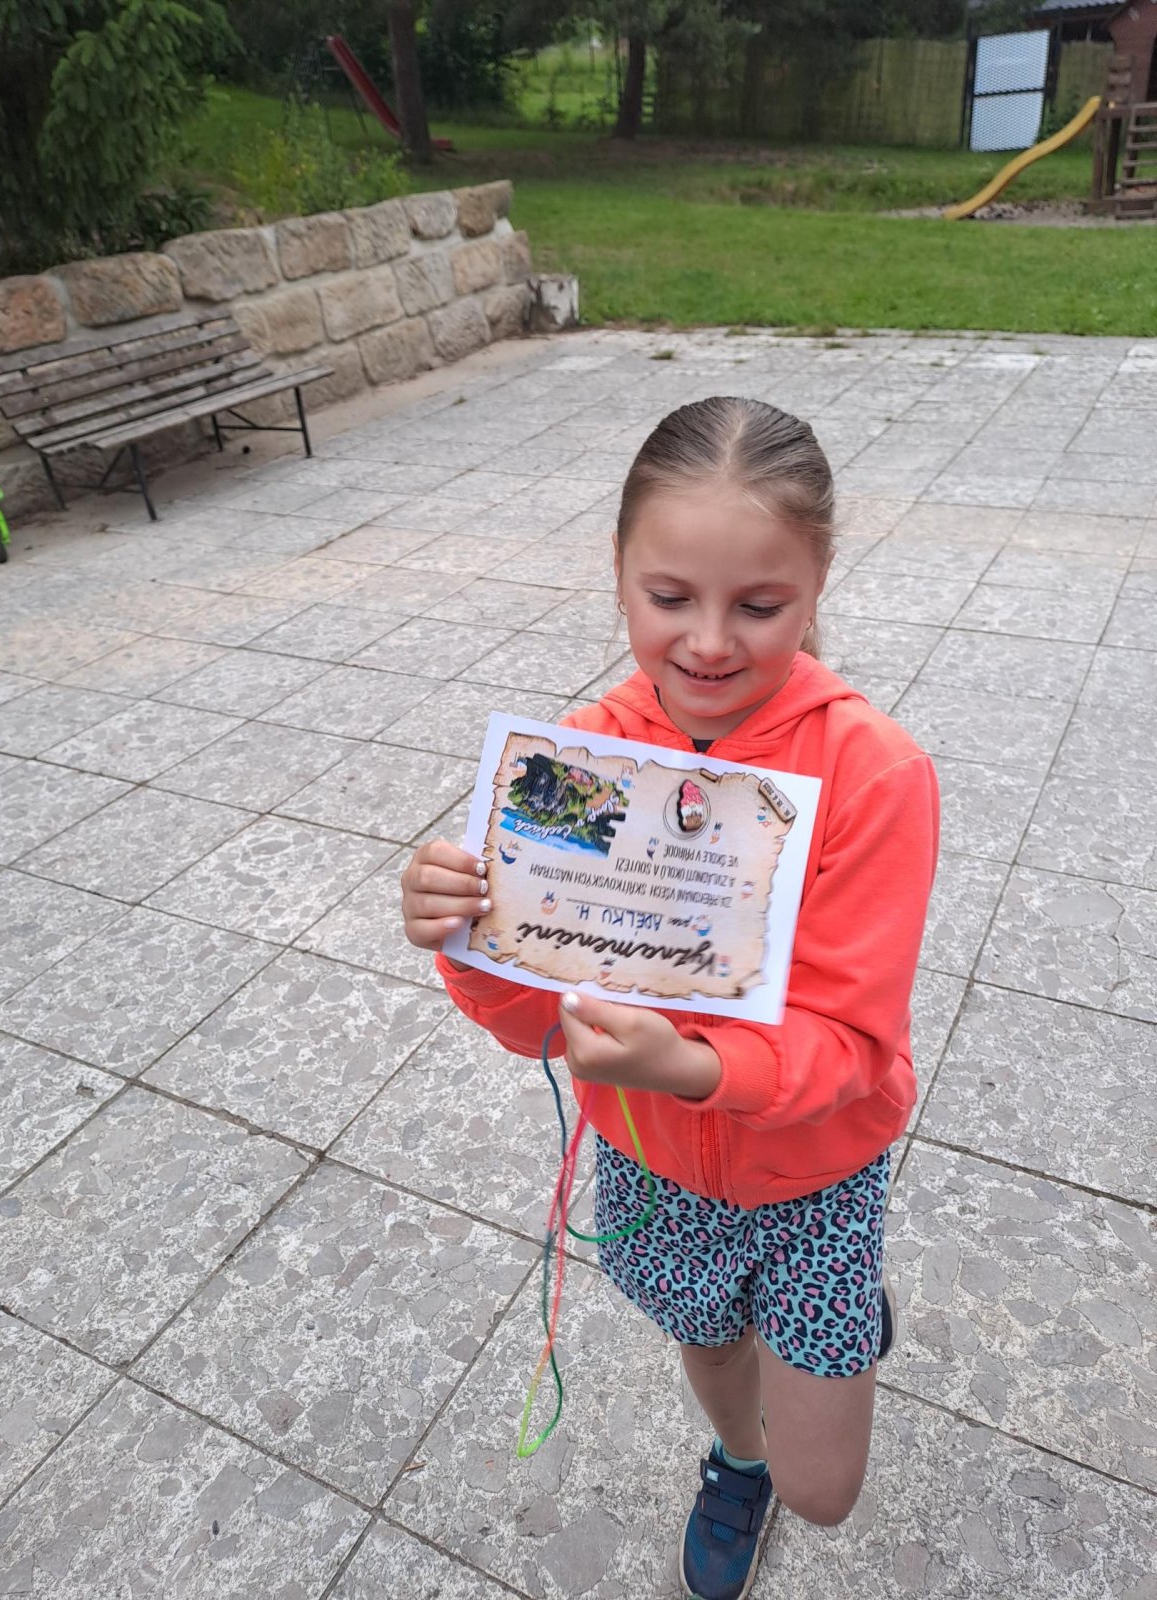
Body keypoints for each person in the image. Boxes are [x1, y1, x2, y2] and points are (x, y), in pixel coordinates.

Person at [400, 396, 939, 1600]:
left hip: (811, 1171)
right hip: (652, 1160)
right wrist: (465, 937)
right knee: (708, 1338)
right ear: (619, 574)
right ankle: (734, 1459)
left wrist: (695, 1067)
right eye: (669, 596)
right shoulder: (576, 763)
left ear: (817, 581)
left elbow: (854, 1043)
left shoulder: (873, 773)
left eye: (760, 605)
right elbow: (535, 1019)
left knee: (825, 1490)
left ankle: (833, 1330)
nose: (707, 642)